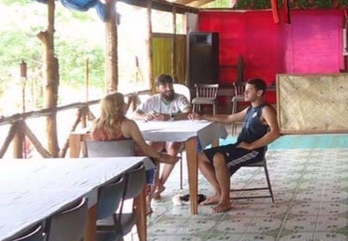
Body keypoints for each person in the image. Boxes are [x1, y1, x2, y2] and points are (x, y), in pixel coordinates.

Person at [189, 78, 280, 213]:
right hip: (239, 146)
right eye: (245, 90)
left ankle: (225, 200)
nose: (245, 93)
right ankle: (219, 192)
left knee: (218, 157)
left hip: (253, 151)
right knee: (198, 156)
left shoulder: (266, 110)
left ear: (259, 92)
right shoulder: (250, 109)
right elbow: (228, 118)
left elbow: (275, 133)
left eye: (249, 90)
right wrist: (202, 116)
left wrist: (252, 146)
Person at [90, 92, 179, 193]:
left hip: (103, 170)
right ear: (118, 107)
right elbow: (144, 148)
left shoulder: (95, 125)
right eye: (123, 102)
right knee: (153, 160)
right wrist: (162, 157)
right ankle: (148, 197)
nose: (126, 104)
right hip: (129, 169)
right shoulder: (127, 124)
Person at [133, 74, 191, 199]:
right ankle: (154, 185)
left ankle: (160, 183)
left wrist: (170, 116)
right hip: (158, 135)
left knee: (173, 149)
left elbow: (187, 113)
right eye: (164, 86)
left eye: (170, 85)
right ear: (158, 88)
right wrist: (146, 116)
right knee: (151, 150)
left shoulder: (180, 98)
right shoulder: (152, 100)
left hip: (176, 134)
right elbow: (135, 114)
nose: (168, 88)